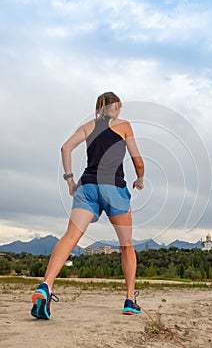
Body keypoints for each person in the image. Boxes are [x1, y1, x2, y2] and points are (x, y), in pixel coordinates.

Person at [31, 92, 144, 319]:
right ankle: (130, 300)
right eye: (118, 107)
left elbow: (65, 148)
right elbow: (137, 160)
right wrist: (140, 178)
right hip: (113, 187)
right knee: (127, 246)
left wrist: (70, 180)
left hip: (88, 186)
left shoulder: (88, 126)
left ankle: (46, 285)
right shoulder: (124, 126)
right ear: (115, 107)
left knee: (71, 236)